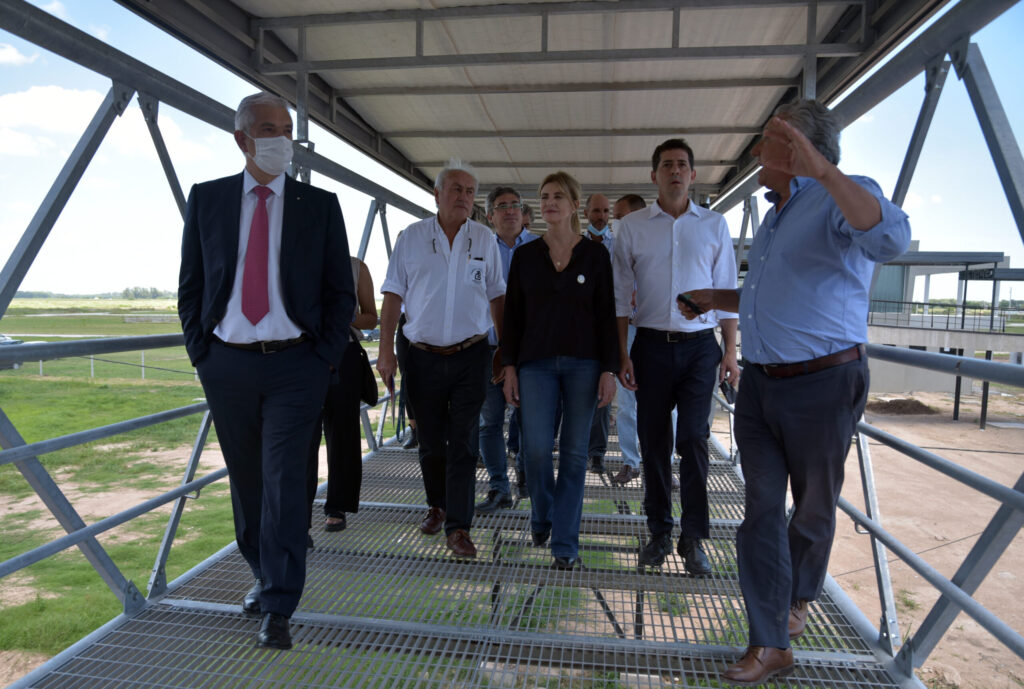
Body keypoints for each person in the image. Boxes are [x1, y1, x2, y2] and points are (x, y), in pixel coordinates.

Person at [679, 100, 911, 685]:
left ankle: (799, 597)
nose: (756, 151)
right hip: (760, 386)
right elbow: (768, 293)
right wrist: (715, 299)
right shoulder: (777, 216)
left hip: (823, 383)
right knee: (760, 510)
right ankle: (770, 642)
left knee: (811, 506)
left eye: (767, 139)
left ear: (797, 148)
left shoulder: (842, 194)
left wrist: (824, 172)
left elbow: (891, 239)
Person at [178, 92, 355, 649]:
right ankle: (260, 569)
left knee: (284, 480)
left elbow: (341, 292)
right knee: (248, 480)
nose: (281, 139)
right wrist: (201, 354)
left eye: (286, 128)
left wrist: (323, 358)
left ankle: (279, 603)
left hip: (297, 365)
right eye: (268, 129)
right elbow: (191, 285)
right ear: (242, 139)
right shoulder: (207, 199)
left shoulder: (319, 205)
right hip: (227, 364)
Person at [612, 139, 739, 576]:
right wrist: (622, 353)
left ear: (693, 174)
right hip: (649, 346)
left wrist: (730, 351)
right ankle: (659, 531)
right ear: (654, 175)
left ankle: (694, 538)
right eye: (667, 165)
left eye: (682, 164)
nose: (675, 171)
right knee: (653, 443)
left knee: (694, 440)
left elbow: (726, 291)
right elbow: (619, 297)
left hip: (701, 348)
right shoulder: (632, 227)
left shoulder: (714, 225)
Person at [376, 159, 505, 559]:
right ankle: (437, 505)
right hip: (422, 357)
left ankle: (459, 527)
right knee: (431, 441)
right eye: (456, 189)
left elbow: (497, 295)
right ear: (437, 194)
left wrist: (505, 349)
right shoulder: (411, 237)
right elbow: (393, 295)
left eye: (470, 191)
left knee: (463, 441)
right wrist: (385, 351)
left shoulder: (484, 239)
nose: (463, 197)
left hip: (471, 354)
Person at [502, 171, 618, 570]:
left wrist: (609, 370)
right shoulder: (525, 256)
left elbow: (606, 317)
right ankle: (542, 515)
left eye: (557, 197)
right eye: (544, 196)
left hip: (585, 365)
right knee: (535, 450)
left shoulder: (596, 256)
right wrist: (509, 366)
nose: (549, 203)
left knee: (573, 454)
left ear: (574, 205)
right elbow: (512, 318)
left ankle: (565, 544)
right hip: (534, 365)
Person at [475, 186, 536, 514]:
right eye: (502, 206)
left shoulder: (540, 248)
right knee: (490, 422)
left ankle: (526, 478)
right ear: (490, 215)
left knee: (529, 420)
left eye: (515, 205)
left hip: (530, 352)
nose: (510, 210)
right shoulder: (478, 249)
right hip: (488, 350)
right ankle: (499, 487)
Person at [310, 256, 377, 533]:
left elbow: (371, 317)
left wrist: (344, 317)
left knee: (343, 434)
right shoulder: (291, 259)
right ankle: (298, 512)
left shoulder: (356, 267)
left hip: (344, 353)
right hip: (303, 354)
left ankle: (338, 505)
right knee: (302, 437)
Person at [607, 194, 645, 486]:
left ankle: (664, 462)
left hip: (655, 331)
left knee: (664, 403)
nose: (615, 223)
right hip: (626, 330)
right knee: (627, 401)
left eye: (620, 217)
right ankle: (631, 462)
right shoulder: (613, 250)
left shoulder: (659, 244)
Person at [582, 193, 615, 475]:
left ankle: (596, 453)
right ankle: (575, 449)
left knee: (603, 395)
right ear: (585, 213)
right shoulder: (575, 246)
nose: (600, 216)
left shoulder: (619, 247)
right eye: (596, 211)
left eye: (605, 211)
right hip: (579, 328)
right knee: (575, 393)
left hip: (609, 326)